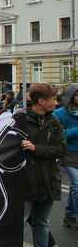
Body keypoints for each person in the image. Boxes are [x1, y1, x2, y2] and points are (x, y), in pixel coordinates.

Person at [4, 83, 72, 247]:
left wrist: (36, 148)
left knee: (42, 223)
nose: (56, 102)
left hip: (47, 180)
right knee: (18, 223)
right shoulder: (20, 121)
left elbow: (61, 149)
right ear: (41, 101)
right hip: (25, 180)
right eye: (53, 99)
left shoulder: (54, 122)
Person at [53, 84, 78, 231]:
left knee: (75, 187)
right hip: (68, 153)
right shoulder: (60, 113)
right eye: (76, 95)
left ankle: (70, 215)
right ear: (70, 97)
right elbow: (59, 135)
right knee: (76, 185)